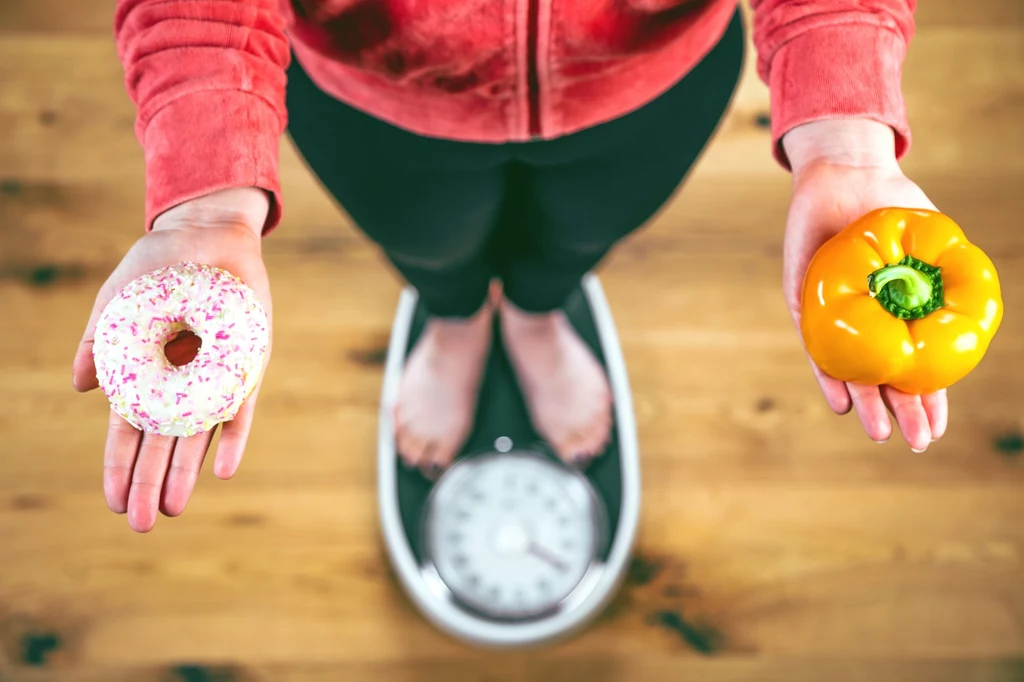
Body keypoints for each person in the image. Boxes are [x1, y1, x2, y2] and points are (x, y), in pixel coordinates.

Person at [73, 0, 943, 534]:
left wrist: (845, 134)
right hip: (382, 97)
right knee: (428, 246)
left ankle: (536, 311)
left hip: (645, 82)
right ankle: (455, 318)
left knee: (578, 236)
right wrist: (206, 198)